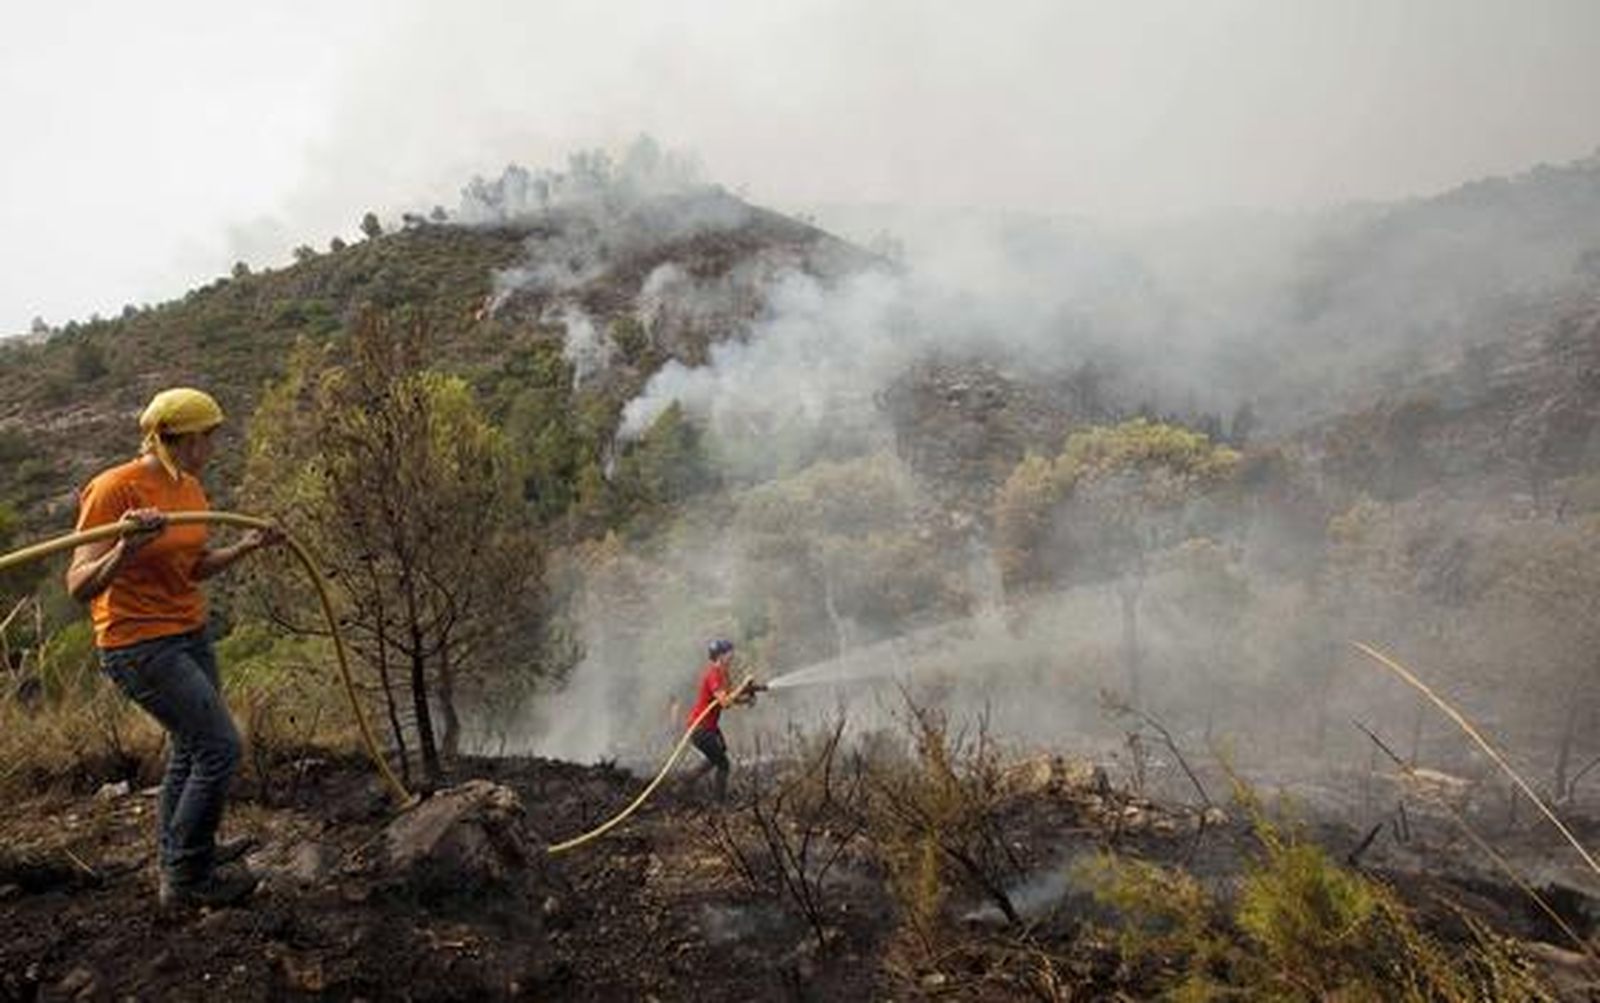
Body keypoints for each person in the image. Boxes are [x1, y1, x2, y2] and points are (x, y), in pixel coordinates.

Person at [65, 388, 283, 909]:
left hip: (189, 633)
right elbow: (78, 584)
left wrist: (247, 547)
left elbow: (194, 568)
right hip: (138, 643)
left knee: (191, 746)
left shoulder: (190, 489)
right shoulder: (115, 488)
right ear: (182, 438)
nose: (213, 446)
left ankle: (184, 852)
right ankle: (187, 878)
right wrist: (124, 548)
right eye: (209, 436)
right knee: (220, 748)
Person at [685, 639, 754, 803]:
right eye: (730, 652)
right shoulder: (713, 674)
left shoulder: (723, 674)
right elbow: (725, 702)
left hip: (710, 727)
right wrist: (743, 685)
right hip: (700, 728)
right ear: (721, 655)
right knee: (723, 765)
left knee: (720, 751)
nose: (732, 656)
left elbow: (729, 699)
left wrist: (746, 699)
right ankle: (719, 804)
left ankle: (688, 780)